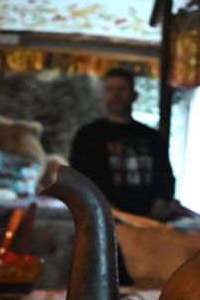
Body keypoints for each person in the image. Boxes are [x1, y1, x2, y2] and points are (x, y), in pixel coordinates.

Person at [70, 68, 176, 220]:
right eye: (110, 89)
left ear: (135, 95)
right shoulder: (87, 136)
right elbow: (80, 181)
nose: (116, 95)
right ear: (104, 95)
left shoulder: (153, 137)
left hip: (147, 221)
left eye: (122, 89)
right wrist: (109, 213)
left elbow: (165, 178)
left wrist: (154, 215)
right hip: (101, 219)